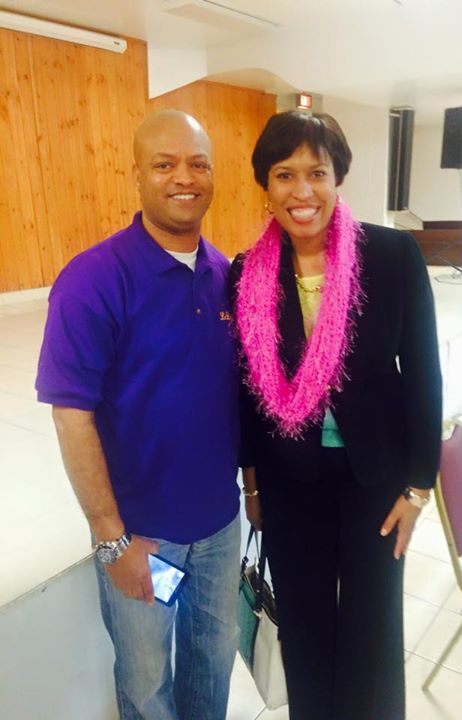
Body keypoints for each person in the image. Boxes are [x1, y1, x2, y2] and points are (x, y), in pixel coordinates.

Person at [229, 111, 442, 720]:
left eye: (316, 173)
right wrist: (252, 481)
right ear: (265, 188)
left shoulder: (392, 254)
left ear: (338, 177)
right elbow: (247, 390)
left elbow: (424, 373)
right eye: (284, 175)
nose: (303, 192)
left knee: (373, 629)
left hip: (377, 475)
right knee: (305, 622)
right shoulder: (248, 275)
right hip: (290, 479)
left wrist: (419, 487)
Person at [36, 109, 241, 720]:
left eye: (198, 163)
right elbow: (72, 416)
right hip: (144, 538)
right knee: (148, 681)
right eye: (165, 163)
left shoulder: (225, 276)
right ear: (137, 176)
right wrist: (111, 538)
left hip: (218, 532)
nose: (184, 177)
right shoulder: (93, 280)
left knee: (214, 657)